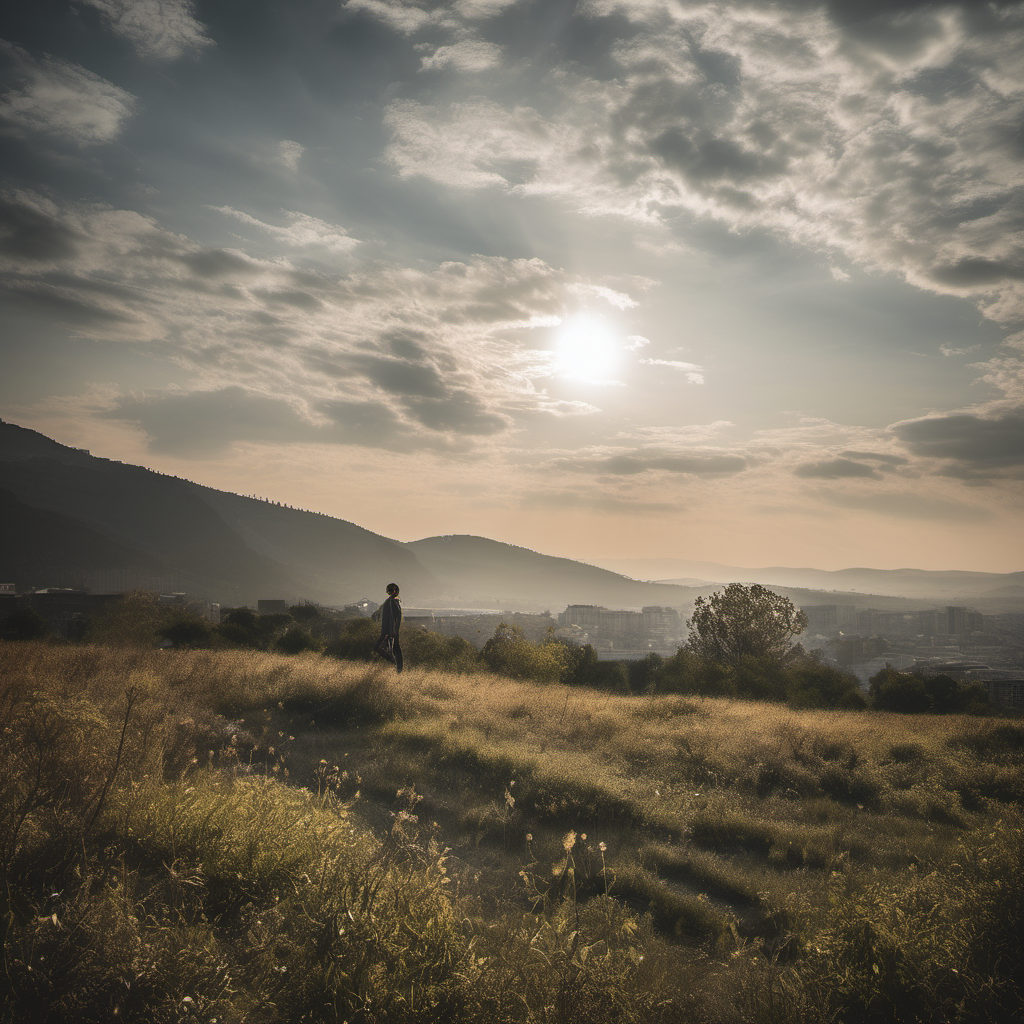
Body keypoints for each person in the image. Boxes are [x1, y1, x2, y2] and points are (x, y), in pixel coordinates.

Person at [373, 582, 403, 672]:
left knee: (392, 649)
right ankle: (396, 666)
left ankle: (396, 665)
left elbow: (393, 618)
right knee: (394, 649)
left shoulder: (392, 602)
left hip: (390, 631)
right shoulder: (392, 602)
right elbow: (393, 618)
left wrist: (392, 632)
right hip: (391, 631)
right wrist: (393, 632)